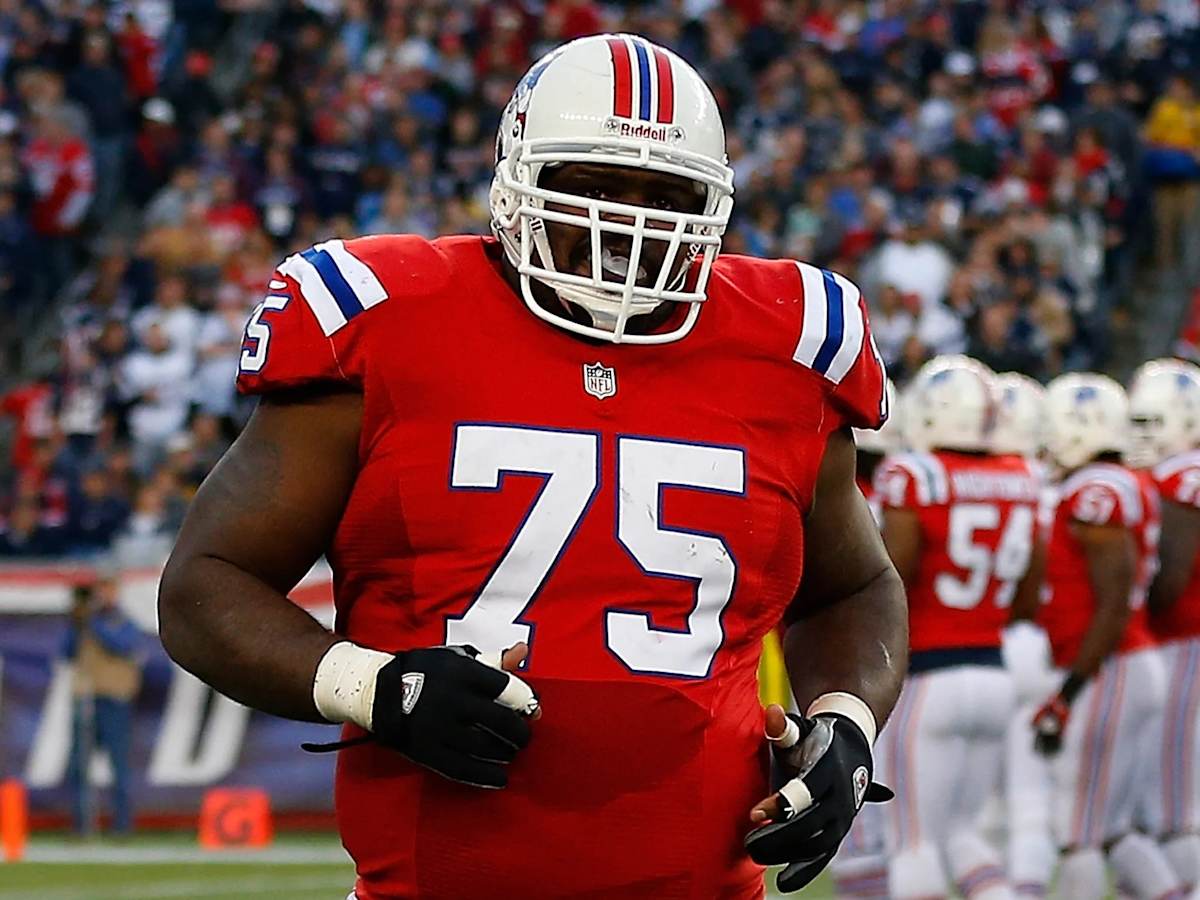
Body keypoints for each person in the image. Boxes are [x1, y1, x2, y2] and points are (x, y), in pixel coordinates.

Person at [158, 34, 908, 900]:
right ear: (517, 182)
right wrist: (371, 685)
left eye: (663, 195)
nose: (625, 223)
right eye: (590, 186)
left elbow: (854, 589)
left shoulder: (790, 345)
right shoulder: (386, 319)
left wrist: (843, 725)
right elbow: (204, 586)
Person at [872, 356, 1041, 900]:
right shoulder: (1021, 476)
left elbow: (893, 575)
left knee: (914, 842)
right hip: (993, 667)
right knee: (966, 839)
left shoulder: (915, 474)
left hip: (928, 675)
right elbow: (1030, 590)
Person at [1034, 374, 1183, 900]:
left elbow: (1113, 601)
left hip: (1108, 666)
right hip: (1128, 662)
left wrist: (1067, 693)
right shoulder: (1128, 481)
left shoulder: (1094, 490)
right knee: (1114, 829)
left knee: (1080, 836)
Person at [1128, 359, 1200, 891]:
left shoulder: (1182, 478)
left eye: (1153, 423)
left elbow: (1170, 577)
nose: (1141, 436)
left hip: (1181, 643)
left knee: (1174, 808)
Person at [61, 572, 143, 836]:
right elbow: (67, 652)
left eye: (107, 589)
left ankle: (122, 825)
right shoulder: (85, 622)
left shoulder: (123, 621)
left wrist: (91, 624)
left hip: (114, 698)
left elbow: (121, 645)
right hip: (85, 697)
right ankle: (82, 824)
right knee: (79, 765)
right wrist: (76, 625)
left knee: (118, 764)